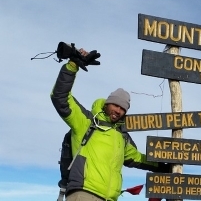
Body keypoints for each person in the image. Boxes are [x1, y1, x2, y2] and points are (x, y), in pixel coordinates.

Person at [51, 47, 168, 201]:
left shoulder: (121, 136)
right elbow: (60, 97)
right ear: (107, 103)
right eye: (115, 105)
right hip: (83, 194)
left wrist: (164, 166)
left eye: (122, 108)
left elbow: (137, 158)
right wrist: (73, 65)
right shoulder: (86, 121)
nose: (118, 110)